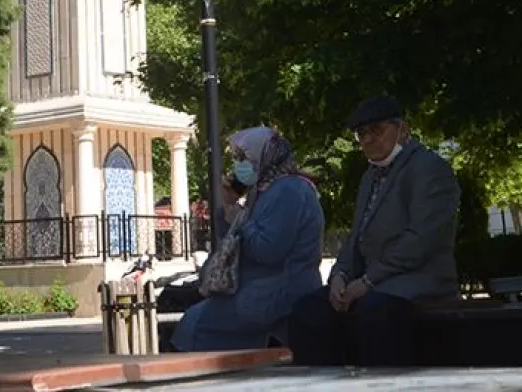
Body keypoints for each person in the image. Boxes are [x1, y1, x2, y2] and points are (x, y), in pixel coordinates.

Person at [288, 96, 461, 366]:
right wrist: (340, 276)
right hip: (376, 282)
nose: (368, 140)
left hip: (419, 279)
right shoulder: (370, 176)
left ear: (403, 130)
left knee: (372, 313)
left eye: (377, 131)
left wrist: (368, 282)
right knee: (308, 311)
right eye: (361, 134)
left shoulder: (429, 168)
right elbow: (355, 237)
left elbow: (421, 240)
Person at [170, 126, 324, 352]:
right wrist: (229, 206)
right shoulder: (262, 190)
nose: (238, 165)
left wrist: (241, 222)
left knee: (196, 325)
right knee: (194, 319)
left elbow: (268, 250)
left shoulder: (290, 190)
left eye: (243, 158)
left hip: (280, 290)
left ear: (265, 156)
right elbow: (231, 242)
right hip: (257, 288)